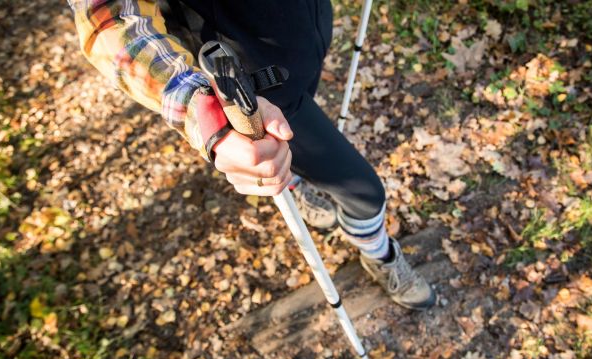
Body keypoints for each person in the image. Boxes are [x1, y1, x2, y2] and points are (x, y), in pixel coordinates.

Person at [68, 0, 435, 310]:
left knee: (302, 124)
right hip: (255, 85)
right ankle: (379, 256)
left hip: (300, 46)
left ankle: (294, 181)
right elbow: (112, 16)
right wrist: (204, 110)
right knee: (365, 193)